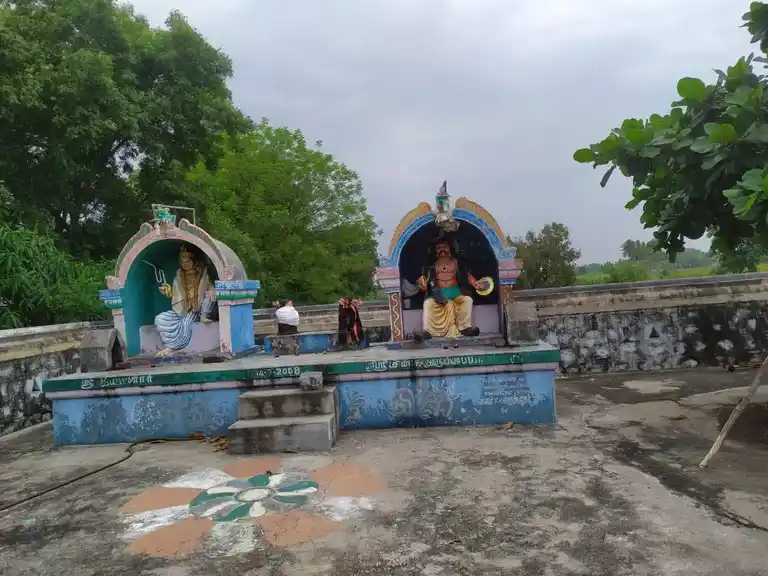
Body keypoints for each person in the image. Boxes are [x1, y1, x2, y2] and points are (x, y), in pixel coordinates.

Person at [415, 237, 482, 340]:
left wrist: (475, 283)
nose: (442, 250)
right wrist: (421, 283)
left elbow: (467, 276)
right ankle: (428, 331)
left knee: (467, 300)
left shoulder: (457, 263)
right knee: (428, 304)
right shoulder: (431, 265)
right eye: (439, 248)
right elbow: (423, 279)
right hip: (438, 293)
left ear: (450, 248)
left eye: (445, 247)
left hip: (455, 292)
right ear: (435, 250)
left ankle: (465, 328)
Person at [154, 245, 216, 356]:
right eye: (182, 262)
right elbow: (178, 296)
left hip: (196, 310)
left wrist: (211, 289)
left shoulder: (202, 273)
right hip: (182, 309)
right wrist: (169, 292)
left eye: (187, 261)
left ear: (194, 261)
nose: (185, 264)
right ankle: (170, 346)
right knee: (160, 319)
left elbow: (210, 286)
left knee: (186, 323)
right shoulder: (179, 275)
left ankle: (174, 348)